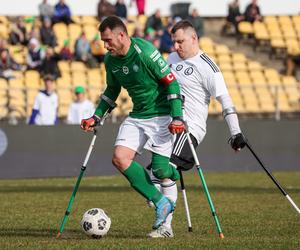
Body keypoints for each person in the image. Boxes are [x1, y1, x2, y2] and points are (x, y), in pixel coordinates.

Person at [80, 16, 185, 234]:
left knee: (160, 170)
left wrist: (177, 117)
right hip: (138, 116)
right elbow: (111, 91)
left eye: (108, 40)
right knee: (119, 158)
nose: (105, 45)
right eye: (103, 41)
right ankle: (161, 201)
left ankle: (174, 172)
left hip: (163, 116)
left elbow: (171, 82)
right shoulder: (110, 61)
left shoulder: (145, 51)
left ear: (121, 35)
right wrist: (96, 117)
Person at [147, 20, 247, 238]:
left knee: (161, 171)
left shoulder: (207, 66)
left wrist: (235, 132)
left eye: (180, 41)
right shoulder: (171, 59)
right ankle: (164, 220)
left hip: (189, 128)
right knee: (154, 174)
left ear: (194, 38)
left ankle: (165, 227)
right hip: (167, 125)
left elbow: (225, 99)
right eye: (174, 42)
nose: (176, 47)